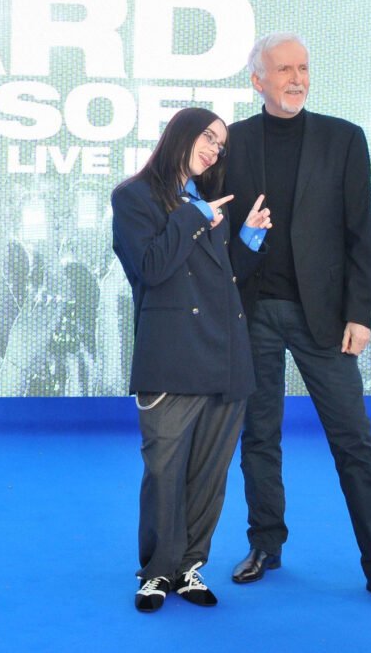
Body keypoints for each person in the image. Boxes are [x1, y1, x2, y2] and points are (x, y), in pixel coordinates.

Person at [223, 33, 371, 616]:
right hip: (253, 313)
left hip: (326, 319)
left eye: (303, 68)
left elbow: (362, 234)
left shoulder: (344, 138)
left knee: (353, 441)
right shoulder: (233, 141)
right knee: (258, 436)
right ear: (257, 80)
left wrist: (361, 313)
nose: (297, 79)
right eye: (284, 69)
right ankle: (265, 544)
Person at [110, 107, 271, 613]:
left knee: (208, 474)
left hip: (226, 356)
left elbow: (217, 280)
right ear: (179, 134)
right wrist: (192, 218)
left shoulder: (205, 200)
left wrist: (246, 241)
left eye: (220, 144)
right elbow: (153, 268)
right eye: (207, 137)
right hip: (171, 358)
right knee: (164, 471)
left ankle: (188, 567)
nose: (214, 150)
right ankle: (156, 572)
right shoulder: (133, 196)